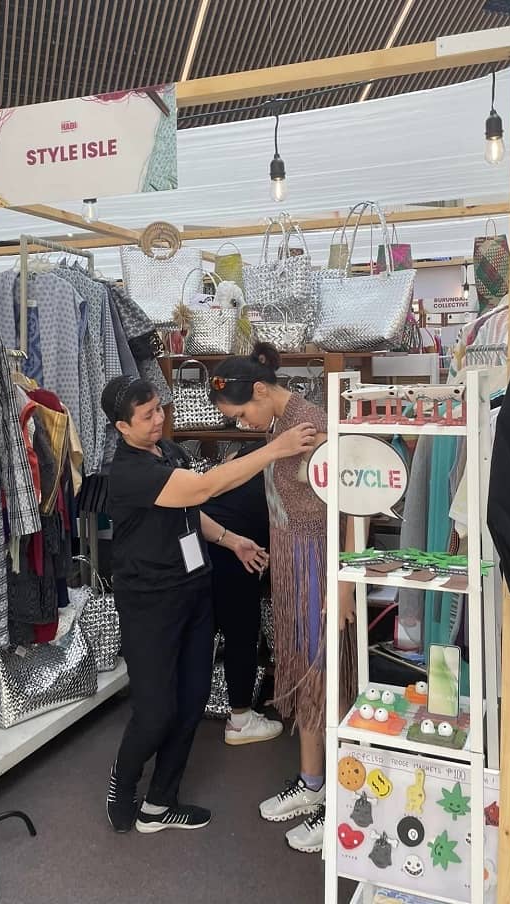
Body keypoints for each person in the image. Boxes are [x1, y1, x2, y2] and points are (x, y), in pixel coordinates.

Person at [101, 376, 316, 835]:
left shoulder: (166, 452)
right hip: (150, 603)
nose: (159, 419)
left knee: (192, 699)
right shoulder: (128, 472)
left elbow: (186, 508)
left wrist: (230, 539)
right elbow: (201, 489)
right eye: (147, 416)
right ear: (121, 426)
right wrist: (275, 450)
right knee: (155, 710)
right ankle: (123, 781)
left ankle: (161, 802)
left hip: (194, 591)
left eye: (160, 409)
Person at [209, 343, 357, 854]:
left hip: (319, 566)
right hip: (295, 565)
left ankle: (340, 800)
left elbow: (350, 506)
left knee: (324, 675)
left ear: (259, 390)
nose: (242, 423)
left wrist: (341, 584)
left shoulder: (312, 425)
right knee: (303, 673)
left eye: (241, 414)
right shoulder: (280, 429)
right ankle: (313, 783)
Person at [201, 441, 283, 745]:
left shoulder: (249, 451)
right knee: (241, 636)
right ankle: (240, 720)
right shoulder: (290, 460)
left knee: (199, 634)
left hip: (202, 540)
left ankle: (178, 710)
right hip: (239, 550)